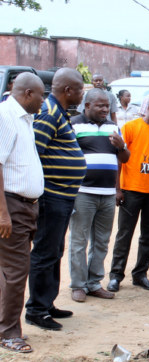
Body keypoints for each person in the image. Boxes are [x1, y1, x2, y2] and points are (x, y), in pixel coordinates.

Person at [26, 68, 87, 331]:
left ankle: (47, 302)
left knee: (55, 251)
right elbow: (33, 155)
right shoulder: (49, 113)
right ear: (68, 90)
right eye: (80, 89)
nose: (82, 94)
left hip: (64, 196)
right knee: (44, 252)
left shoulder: (60, 113)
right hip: (51, 197)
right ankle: (36, 310)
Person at [68, 88, 130, 303]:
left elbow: (124, 159)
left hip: (107, 194)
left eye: (107, 106)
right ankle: (77, 285)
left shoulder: (113, 127)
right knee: (79, 241)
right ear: (87, 106)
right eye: (100, 105)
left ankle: (93, 283)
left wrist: (121, 146)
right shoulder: (74, 124)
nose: (106, 109)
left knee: (102, 241)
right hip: (83, 192)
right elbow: (66, 156)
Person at [107, 95, 149, 293]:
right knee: (124, 234)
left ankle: (140, 274)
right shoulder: (131, 128)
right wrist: (117, 188)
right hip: (131, 190)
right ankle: (116, 276)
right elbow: (119, 158)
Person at [0, 72, 44, 353]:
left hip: (24, 206)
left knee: (8, 272)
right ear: (28, 94)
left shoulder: (24, 118)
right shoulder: (6, 116)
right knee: (16, 271)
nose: (44, 100)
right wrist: (3, 213)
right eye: (42, 95)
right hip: (11, 206)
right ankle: (9, 333)